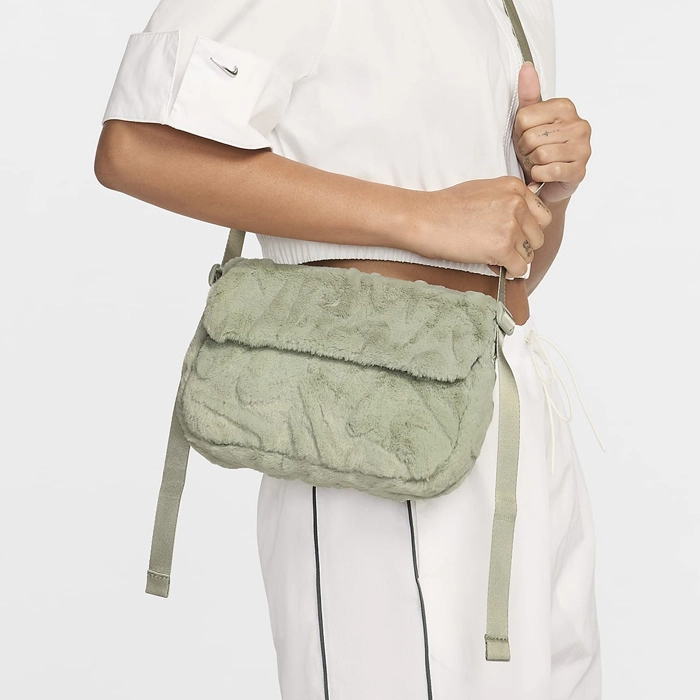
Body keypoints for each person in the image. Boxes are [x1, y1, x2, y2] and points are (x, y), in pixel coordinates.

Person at [94, 0, 603, 697]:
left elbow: (502, 273)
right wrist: (424, 217)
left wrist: (553, 198)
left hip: (514, 399)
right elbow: (137, 146)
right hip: (368, 412)